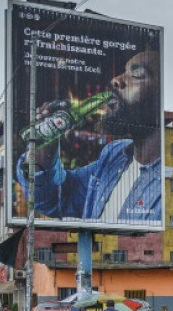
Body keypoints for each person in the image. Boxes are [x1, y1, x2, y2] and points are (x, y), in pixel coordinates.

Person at [17, 50, 162, 222]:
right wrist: (44, 147)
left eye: (136, 75)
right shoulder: (114, 154)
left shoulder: (169, 182)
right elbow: (53, 199)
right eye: (123, 72)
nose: (116, 80)